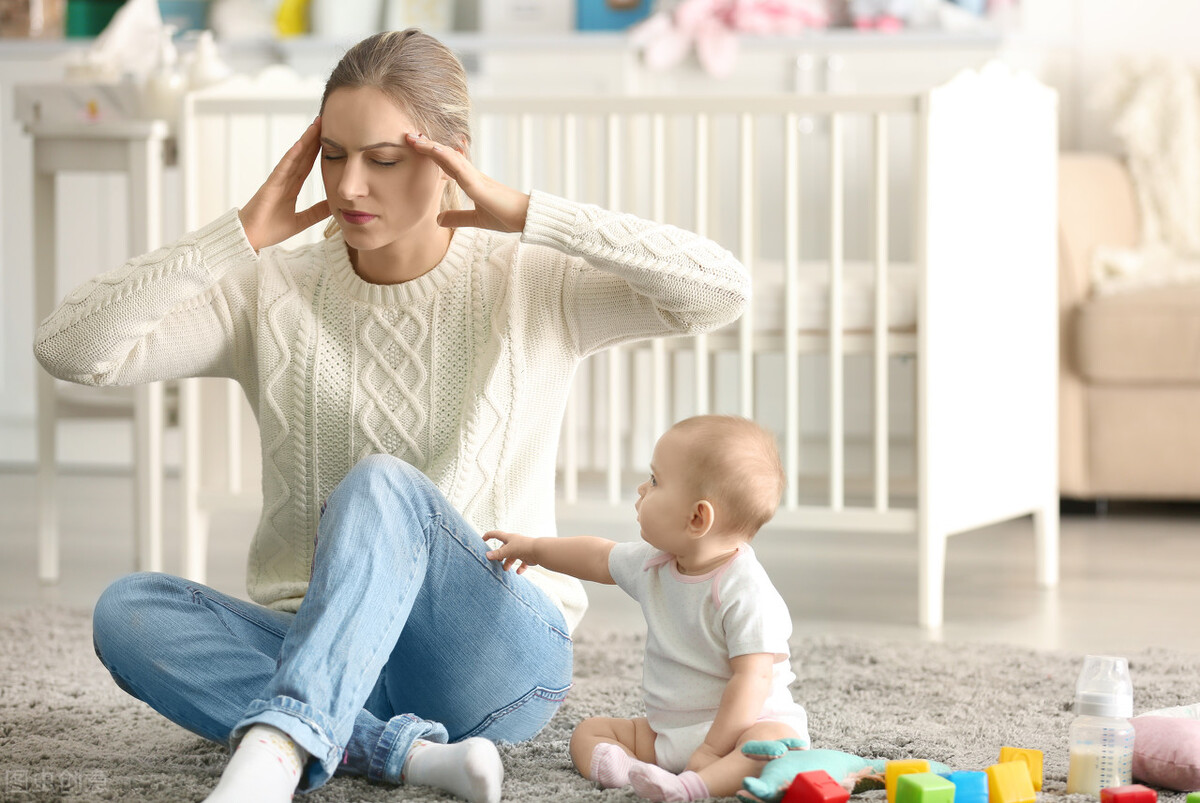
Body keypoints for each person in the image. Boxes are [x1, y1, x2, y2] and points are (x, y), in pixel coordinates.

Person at [32, 29, 750, 803]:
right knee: (129, 612)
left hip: (493, 660)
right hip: (333, 654)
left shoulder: (533, 281)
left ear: (451, 158)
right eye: (332, 155)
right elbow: (73, 350)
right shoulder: (269, 289)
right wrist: (234, 236)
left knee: (379, 485)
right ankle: (407, 756)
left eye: (383, 159)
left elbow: (721, 291)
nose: (347, 188)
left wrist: (531, 214)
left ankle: (273, 756)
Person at [485, 414, 808, 802]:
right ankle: (635, 774)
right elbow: (598, 556)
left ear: (696, 517)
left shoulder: (745, 591)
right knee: (589, 733)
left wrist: (710, 750)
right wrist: (535, 549)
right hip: (669, 732)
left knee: (774, 747)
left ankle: (692, 787)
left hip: (742, 728)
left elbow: (752, 681)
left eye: (655, 481)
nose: (641, 488)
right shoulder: (656, 563)